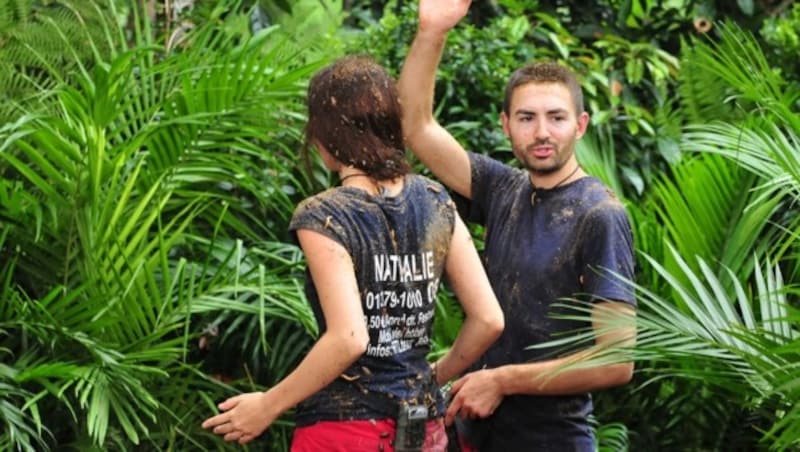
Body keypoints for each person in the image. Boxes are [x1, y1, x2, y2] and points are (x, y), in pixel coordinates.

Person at [201, 55, 504, 451]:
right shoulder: (436, 200)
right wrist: (428, 377)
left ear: (325, 138)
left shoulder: (325, 214)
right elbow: (488, 319)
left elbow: (348, 338)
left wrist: (267, 405)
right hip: (422, 429)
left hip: (346, 432)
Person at [397, 1, 637, 451]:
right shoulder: (502, 189)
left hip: (553, 439)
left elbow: (617, 359)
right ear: (506, 126)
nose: (542, 132)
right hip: (478, 433)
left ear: (581, 125)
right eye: (527, 118)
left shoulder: (600, 214)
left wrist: (504, 381)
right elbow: (417, 127)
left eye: (557, 117)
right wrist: (431, 31)